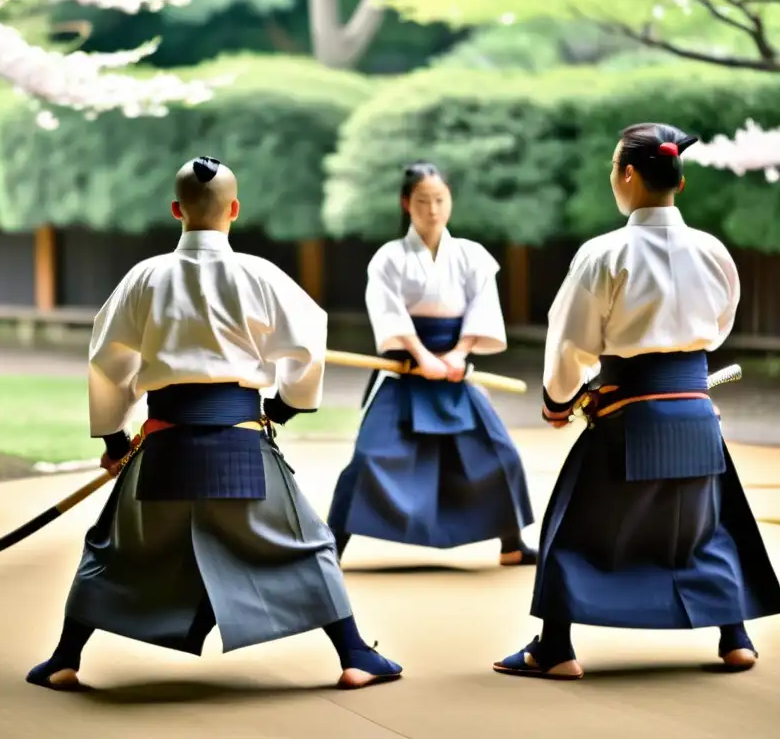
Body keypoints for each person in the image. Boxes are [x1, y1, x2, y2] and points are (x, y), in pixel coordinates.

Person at [26, 156, 402, 692]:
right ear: (235, 211)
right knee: (306, 542)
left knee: (114, 548)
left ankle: (65, 658)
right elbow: (308, 341)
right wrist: (283, 408)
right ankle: (355, 653)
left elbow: (108, 362)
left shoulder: (145, 277)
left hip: (163, 446)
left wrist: (114, 439)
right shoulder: (261, 276)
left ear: (176, 210)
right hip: (242, 441)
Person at [493, 123, 780, 680]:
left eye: (612, 167)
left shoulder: (603, 253)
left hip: (629, 412)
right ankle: (735, 635)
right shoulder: (714, 251)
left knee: (571, 521)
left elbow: (570, 341)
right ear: (680, 179)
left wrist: (559, 402)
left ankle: (554, 647)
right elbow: (717, 329)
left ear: (627, 174)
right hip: (696, 410)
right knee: (708, 523)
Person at [327, 162, 537, 567]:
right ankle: (331, 547)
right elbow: (389, 314)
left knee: (499, 454)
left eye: (440, 200)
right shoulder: (389, 258)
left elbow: (482, 310)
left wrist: (458, 355)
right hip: (403, 370)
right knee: (370, 458)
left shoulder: (471, 255)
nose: (433, 209)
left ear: (450, 201)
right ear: (407, 204)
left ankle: (512, 544)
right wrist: (422, 357)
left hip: (455, 370)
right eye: (423, 201)